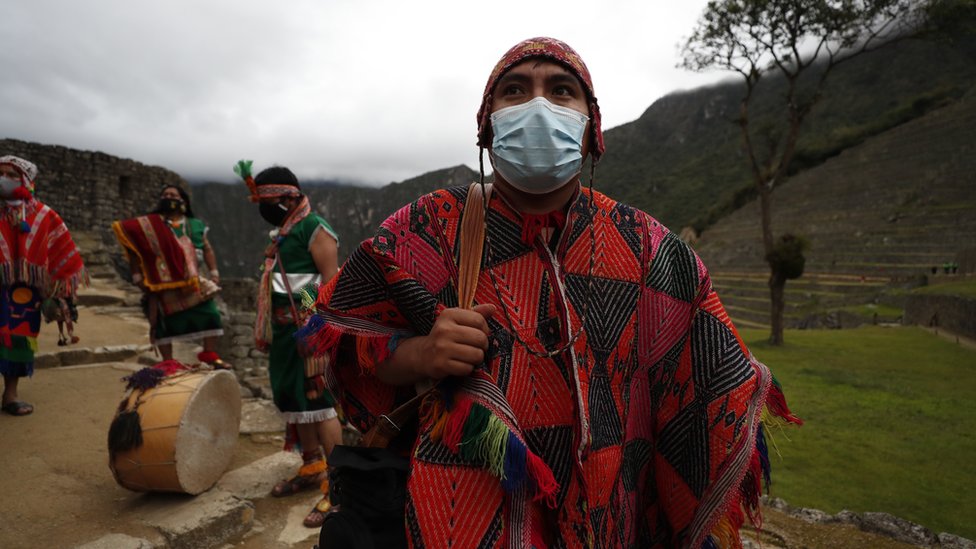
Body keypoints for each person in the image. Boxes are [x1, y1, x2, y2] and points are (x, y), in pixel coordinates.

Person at [301, 37, 801, 547]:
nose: (538, 105)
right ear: (487, 124)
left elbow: (714, 379)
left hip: (616, 518)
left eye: (562, 90)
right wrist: (420, 353)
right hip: (464, 519)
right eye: (514, 90)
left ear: (591, 129)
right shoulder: (427, 228)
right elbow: (341, 339)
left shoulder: (649, 248)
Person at [234, 161, 344, 529]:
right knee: (294, 398)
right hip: (283, 333)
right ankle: (311, 464)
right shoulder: (284, 232)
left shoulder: (315, 230)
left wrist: (319, 332)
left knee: (321, 402)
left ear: (285, 199)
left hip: (309, 332)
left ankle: (339, 486)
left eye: (265, 201)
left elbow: (331, 284)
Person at [0, 155, 86, 416]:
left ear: (25, 180)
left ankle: (10, 394)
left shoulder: (45, 216)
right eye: (0, 172)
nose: (3, 179)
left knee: (17, 339)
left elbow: (62, 251)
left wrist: (60, 294)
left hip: (22, 292)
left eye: (10, 174)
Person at [113, 185, 228, 367]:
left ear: (183, 201)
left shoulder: (194, 225)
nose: (168, 197)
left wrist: (214, 272)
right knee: (163, 322)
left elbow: (207, 248)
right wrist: (136, 276)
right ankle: (168, 362)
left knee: (210, 313)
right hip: (161, 282)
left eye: (173, 195)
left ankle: (208, 353)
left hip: (192, 280)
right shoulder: (148, 225)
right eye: (165, 194)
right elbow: (134, 249)